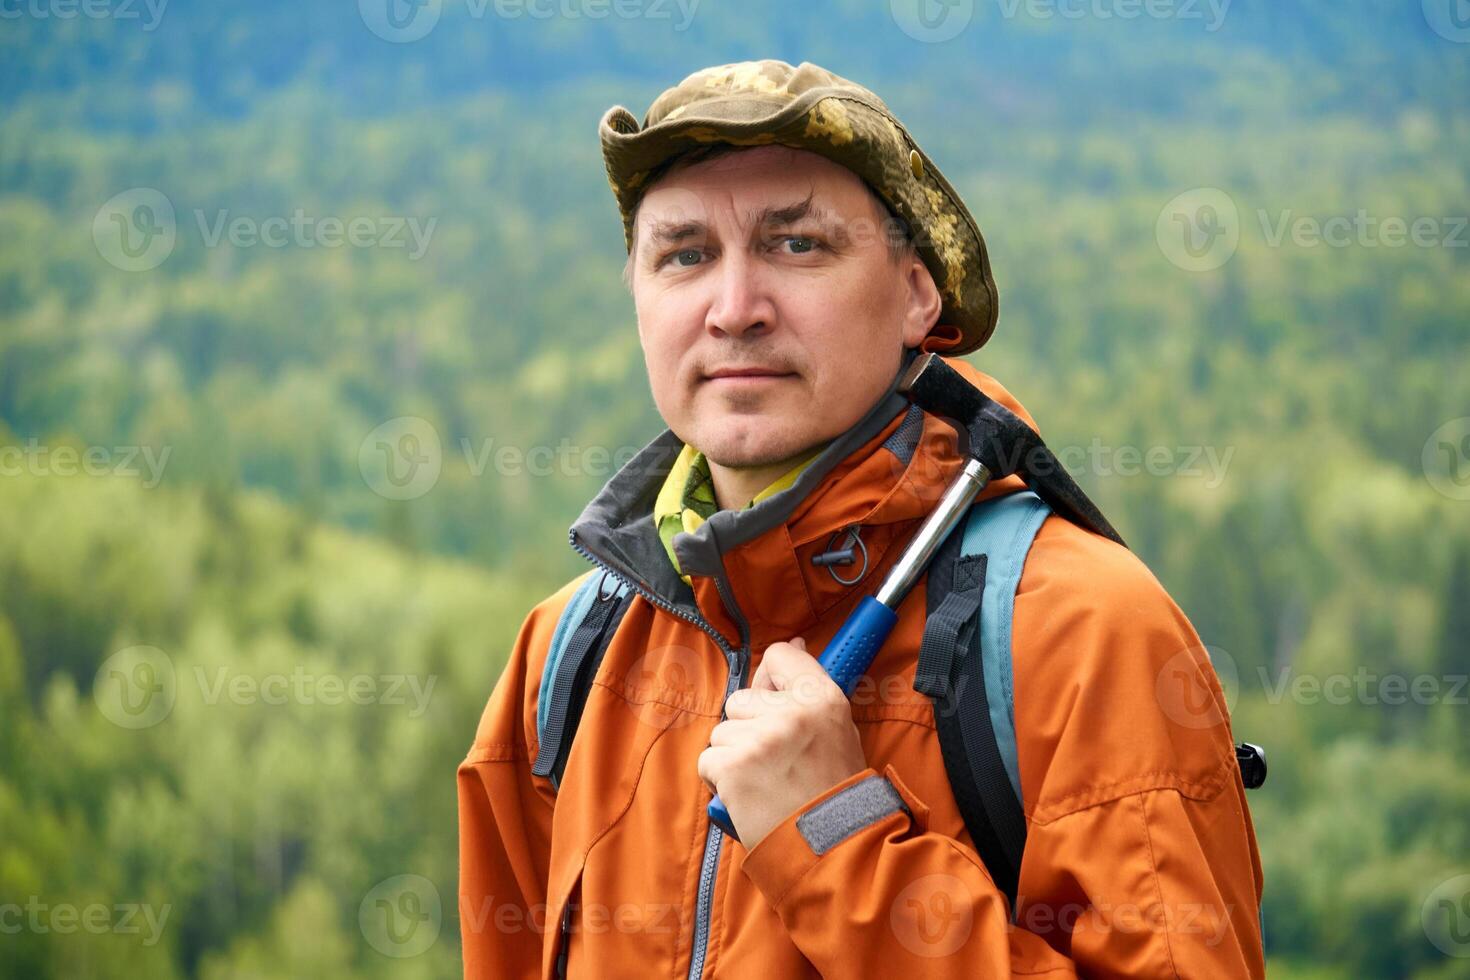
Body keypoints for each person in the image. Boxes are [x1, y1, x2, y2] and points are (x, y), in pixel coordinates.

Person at [458, 59, 1265, 978]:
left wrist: (836, 835)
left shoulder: (1084, 637)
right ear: (637, 296)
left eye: (797, 245)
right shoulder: (566, 657)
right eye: (684, 254)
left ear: (920, 295)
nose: (734, 310)